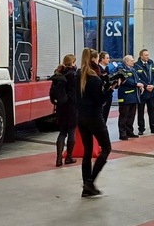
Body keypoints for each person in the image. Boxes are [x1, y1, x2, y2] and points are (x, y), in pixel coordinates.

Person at [75, 48, 118, 197]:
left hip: (81, 117)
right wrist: (111, 89)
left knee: (87, 151)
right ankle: (90, 181)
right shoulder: (95, 79)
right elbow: (99, 101)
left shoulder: (78, 75)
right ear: (95, 59)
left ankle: (86, 187)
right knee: (106, 148)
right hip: (94, 117)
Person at [51, 54, 78, 166]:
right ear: (72, 63)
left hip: (61, 107)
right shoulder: (73, 75)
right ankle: (69, 157)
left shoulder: (58, 74)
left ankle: (58, 159)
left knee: (62, 133)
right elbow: (75, 92)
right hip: (71, 107)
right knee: (71, 131)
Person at [134, 49, 154, 135]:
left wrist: (153, 85)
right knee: (141, 111)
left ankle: (153, 128)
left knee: (152, 110)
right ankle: (141, 128)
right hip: (142, 92)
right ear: (141, 56)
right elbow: (137, 78)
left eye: (148, 55)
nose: (147, 56)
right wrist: (146, 86)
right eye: (146, 55)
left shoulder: (151, 63)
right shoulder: (136, 65)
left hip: (151, 92)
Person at [116, 55, 141, 140]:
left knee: (131, 116)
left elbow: (137, 79)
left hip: (133, 97)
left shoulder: (133, 69)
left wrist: (141, 85)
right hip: (125, 97)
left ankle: (129, 131)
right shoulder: (121, 69)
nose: (133, 62)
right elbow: (125, 80)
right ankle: (122, 133)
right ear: (126, 61)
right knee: (124, 116)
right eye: (131, 61)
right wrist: (136, 84)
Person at [97, 51, 114, 122]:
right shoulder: (98, 69)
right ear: (102, 59)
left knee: (105, 115)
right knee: (101, 117)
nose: (109, 60)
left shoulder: (107, 68)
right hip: (102, 95)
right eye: (107, 58)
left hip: (108, 94)